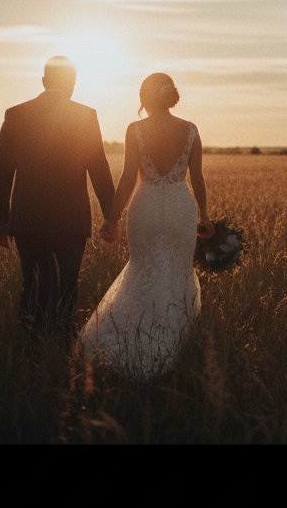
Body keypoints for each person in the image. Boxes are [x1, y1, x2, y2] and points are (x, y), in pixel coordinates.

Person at [78, 73, 213, 379]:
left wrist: (111, 218)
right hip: (181, 207)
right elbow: (198, 178)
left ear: (145, 98)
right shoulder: (190, 130)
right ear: (171, 95)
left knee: (143, 269)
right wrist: (204, 216)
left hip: (146, 207)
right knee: (178, 271)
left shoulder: (135, 130)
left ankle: (133, 334)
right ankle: (174, 343)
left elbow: (128, 178)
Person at [0, 56, 115, 347]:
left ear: (44, 81)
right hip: (71, 220)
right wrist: (111, 215)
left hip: (27, 218)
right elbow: (99, 168)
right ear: (72, 84)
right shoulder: (86, 115)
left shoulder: (16, 114)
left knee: (31, 285)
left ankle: (29, 349)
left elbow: (2, 170)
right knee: (67, 286)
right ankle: (60, 347)